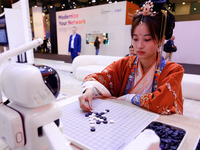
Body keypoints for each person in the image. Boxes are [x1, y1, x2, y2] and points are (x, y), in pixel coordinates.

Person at [78, 0, 184, 115]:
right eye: (135, 39)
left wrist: (128, 98)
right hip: (124, 120)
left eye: (147, 39)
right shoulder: (124, 64)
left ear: (161, 39)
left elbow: (161, 103)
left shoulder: (174, 71)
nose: (139, 46)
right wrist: (90, 90)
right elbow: (98, 78)